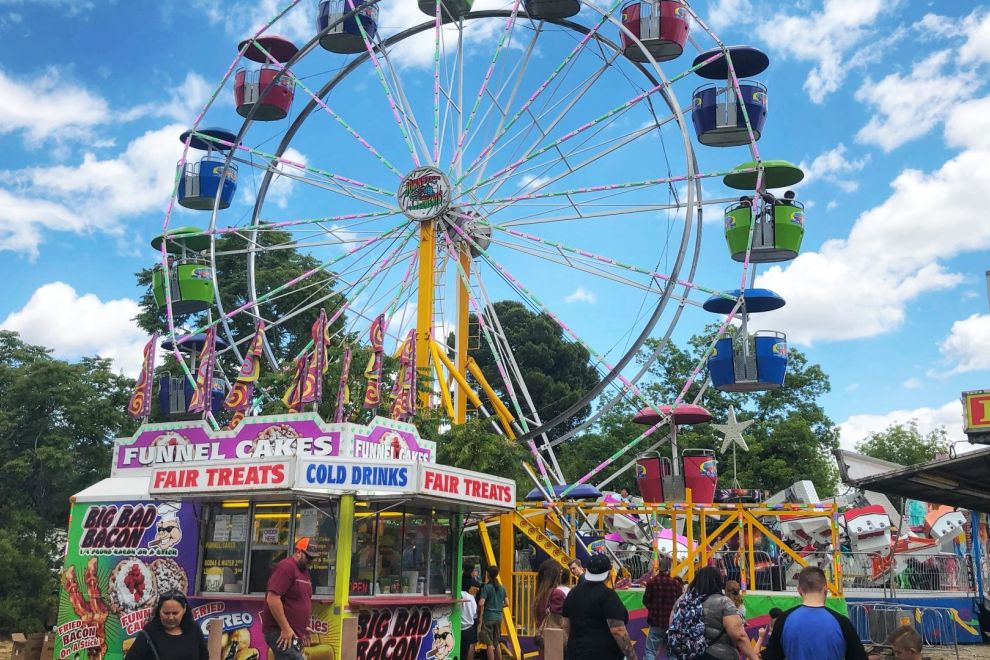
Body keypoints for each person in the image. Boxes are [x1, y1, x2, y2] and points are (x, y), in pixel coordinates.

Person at [762, 566, 867, 660]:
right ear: (825, 588)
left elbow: (770, 656)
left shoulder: (784, 620)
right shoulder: (842, 622)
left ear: (799, 589)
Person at [667, 566, 759, 660]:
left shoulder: (682, 601)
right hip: (719, 654)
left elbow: (672, 624)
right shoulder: (723, 602)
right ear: (718, 581)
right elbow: (739, 635)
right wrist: (754, 657)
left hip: (687, 654)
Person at [562, 554, 637, 660]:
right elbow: (618, 630)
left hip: (577, 653)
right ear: (608, 574)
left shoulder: (573, 593)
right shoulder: (608, 596)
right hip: (605, 654)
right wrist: (632, 657)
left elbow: (565, 625)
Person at [263, 537, 318, 660]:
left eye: (313, 558)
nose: (310, 560)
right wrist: (286, 628)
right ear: (298, 552)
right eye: (308, 557)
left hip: (291, 632)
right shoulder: (286, 567)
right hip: (279, 631)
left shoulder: (304, 572)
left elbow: (300, 600)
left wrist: (303, 627)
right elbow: (272, 598)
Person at [124, 591, 207, 660]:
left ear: (184, 609)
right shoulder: (149, 633)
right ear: (159, 610)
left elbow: (204, 657)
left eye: (175, 613)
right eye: (166, 613)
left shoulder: (194, 630)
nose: (170, 617)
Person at [642, 555, 681, 660]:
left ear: (659, 568)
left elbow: (645, 601)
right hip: (671, 624)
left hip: (656, 622)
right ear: (669, 569)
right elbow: (680, 604)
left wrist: (653, 609)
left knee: (650, 651)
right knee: (672, 653)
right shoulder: (676, 584)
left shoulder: (651, 582)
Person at [532, 560, 567, 659]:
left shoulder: (540, 594)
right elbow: (564, 616)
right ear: (555, 575)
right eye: (560, 572)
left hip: (544, 640)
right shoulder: (557, 593)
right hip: (556, 642)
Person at [477, 565, 507, 660]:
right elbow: (507, 603)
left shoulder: (487, 587)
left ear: (488, 575)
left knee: (489, 643)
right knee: (496, 642)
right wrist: (498, 606)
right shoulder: (502, 588)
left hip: (488, 618)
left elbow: (481, 603)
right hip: (498, 618)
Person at [460, 585, 478, 660]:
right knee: (469, 646)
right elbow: (474, 613)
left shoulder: (457, 594)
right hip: (468, 628)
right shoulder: (471, 597)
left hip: (457, 628)